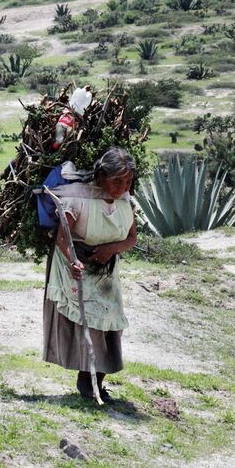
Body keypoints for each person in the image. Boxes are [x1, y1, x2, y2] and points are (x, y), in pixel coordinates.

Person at [43, 147, 138, 400]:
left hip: (106, 272)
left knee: (109, 324)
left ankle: (96, 383)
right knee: (92, 323)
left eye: (127, 181)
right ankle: (87, 385)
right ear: (100, 176)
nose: (122, 186)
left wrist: (111, 249)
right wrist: (73, 261)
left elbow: (132, 238)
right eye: (117, 181)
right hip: (76, 267)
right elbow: (62, 237)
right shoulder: (78, 199)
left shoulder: (125, 201)